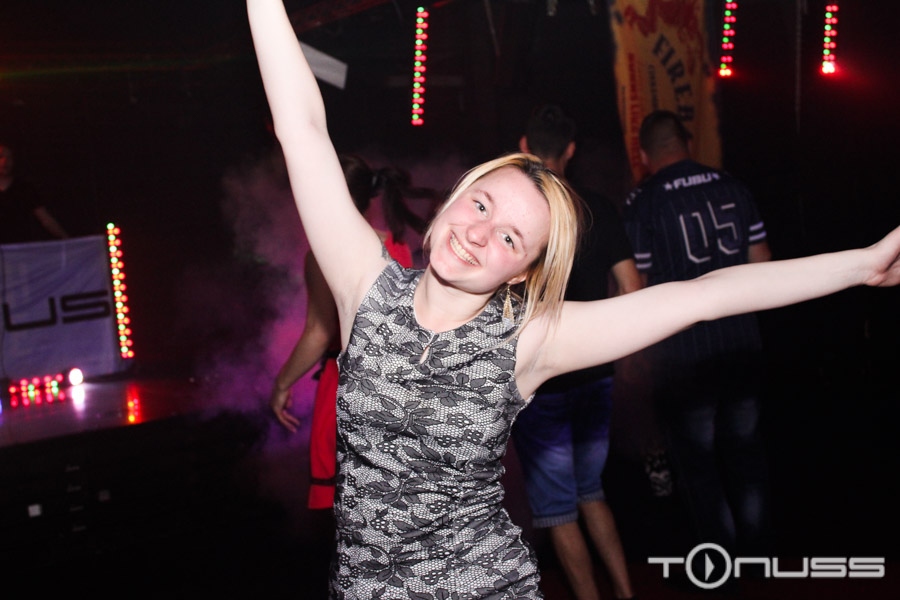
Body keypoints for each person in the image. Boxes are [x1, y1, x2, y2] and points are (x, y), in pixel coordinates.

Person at [247, 1, 900, 597]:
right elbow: (301, 125)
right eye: (481, 205)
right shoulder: (364, 285)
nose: (479, 234)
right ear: (452, 200)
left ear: (521, 272)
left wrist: (863, 265)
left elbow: (706, 294)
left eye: (510, 237)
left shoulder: (529, 338)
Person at [622, 109, 773, 557]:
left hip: (684, 354)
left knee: (699, 463)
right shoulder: (733, 186)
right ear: (687, 142)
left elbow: (637, 287)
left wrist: (636, 354)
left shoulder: (644, 201)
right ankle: (758, 557)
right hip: (741, 342)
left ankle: (718, 567)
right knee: (746, 452)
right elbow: (763, 264)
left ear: (644, 155)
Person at [511, 104, 639, 600]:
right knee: (591, 491)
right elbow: (631, 287)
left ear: (524, 146)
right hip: (596, 372)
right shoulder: (598, 207)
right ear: (570, 149)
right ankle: (625, 593)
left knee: (557, 510)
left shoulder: (522, 211)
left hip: (542, 378)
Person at [270, 153, 433, 509]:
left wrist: (281, 385)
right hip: (398, 394)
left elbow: (318, 332)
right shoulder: (398, 245)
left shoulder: (323, 255)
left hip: (346, 388)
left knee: (347, 515)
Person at [0, 138, 69, 244]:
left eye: (9, 158)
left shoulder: (24, 188)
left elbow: (45, 219)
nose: (5, 162)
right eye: (1, 157)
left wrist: (67, 240)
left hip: (21, 248)